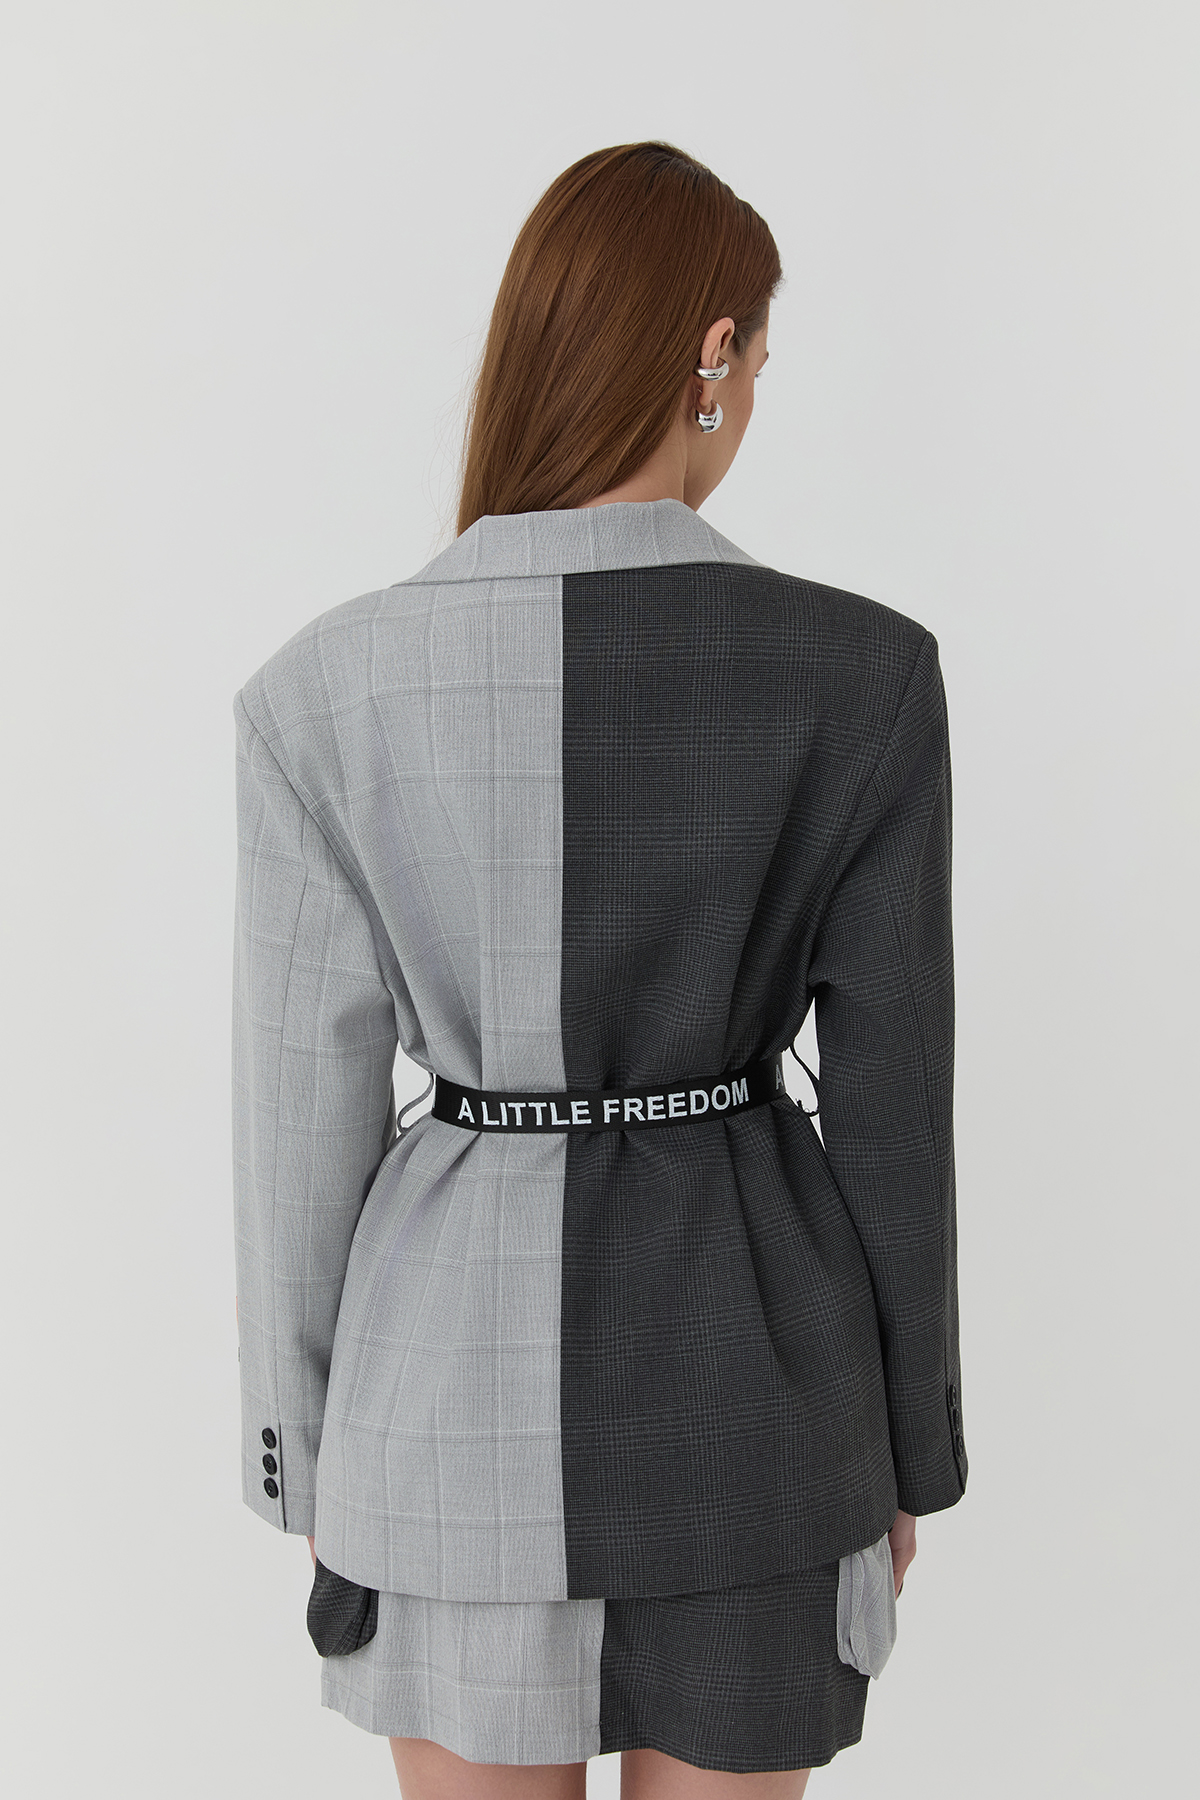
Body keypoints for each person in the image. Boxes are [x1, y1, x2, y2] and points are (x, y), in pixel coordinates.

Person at [231, 140, 967, 1800]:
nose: (755, 398)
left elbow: (299, 1128)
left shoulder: (322, 694)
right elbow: (896, 1117)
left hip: (439, 1409)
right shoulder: (864, 675)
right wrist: (912, 1448)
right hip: (762, 1398)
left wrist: (306, 1455)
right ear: (713, 353)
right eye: (761, 362)